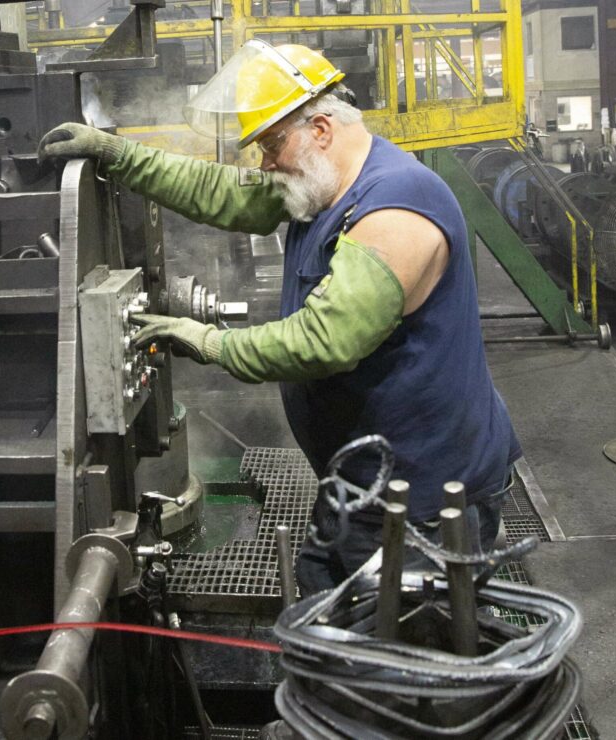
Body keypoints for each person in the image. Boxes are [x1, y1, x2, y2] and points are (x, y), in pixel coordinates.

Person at [38, 40, 521, 595]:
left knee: (403, 660)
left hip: (425, 501)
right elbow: (223, 192)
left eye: (271, 144)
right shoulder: (319, 185)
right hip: (360, 482)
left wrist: (211, 342)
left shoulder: (394, 209)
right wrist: (119, 154)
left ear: (320, 130)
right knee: (327, 629)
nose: (264, 163)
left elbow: (325, 340)